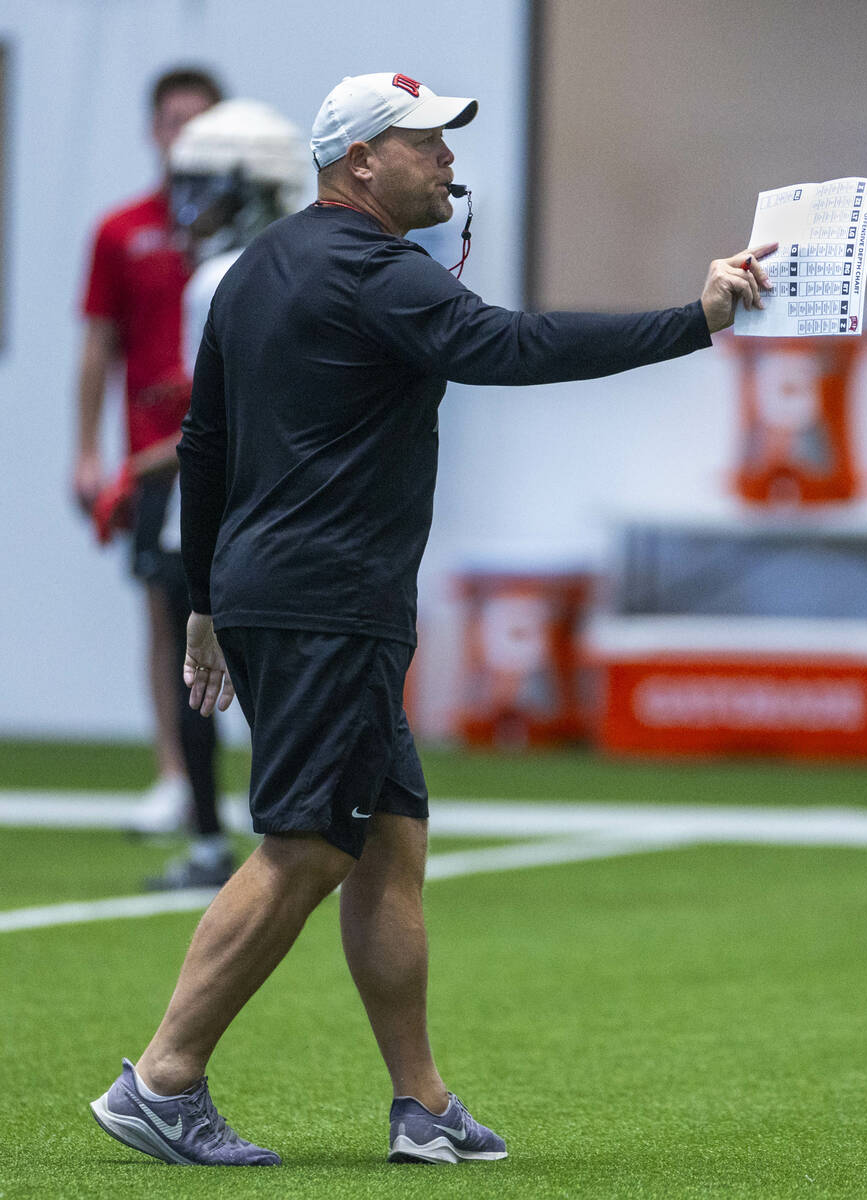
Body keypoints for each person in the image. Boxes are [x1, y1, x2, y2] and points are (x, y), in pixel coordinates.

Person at [90, 71, 774, 1168]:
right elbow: (513, 348)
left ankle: (422, 1105)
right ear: (361, 160)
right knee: (308, 846)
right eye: (427, 143)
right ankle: (162, 1080)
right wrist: (693, 320)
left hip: (274, 593)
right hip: (328, 605)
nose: (450, 161)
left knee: (389, 843)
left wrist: (209, 600)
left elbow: (205, 443)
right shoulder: (377, 274)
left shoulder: (256, 268)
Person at [128, 98, 312, 889]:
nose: (190, 208)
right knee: (265, 683)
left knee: (203, 675)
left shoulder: (216, 278)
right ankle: (289, 835)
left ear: (253, 187)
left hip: (216, 509)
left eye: (207, 188)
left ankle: (215, 842)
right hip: (274, 507)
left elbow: (215, 418)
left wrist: (151, 465)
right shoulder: (298, 262)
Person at [74, 65, 224, 836]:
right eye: (172, 120)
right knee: (168, 616)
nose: (184, 136)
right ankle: (177, 773)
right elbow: (98, 345)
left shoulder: (242, 239)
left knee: (245, 611)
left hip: (233, 452)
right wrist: (87, 452)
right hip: (154, 456)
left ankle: (275, 780)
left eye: (200, 121)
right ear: (152, 128)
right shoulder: (121, 230)